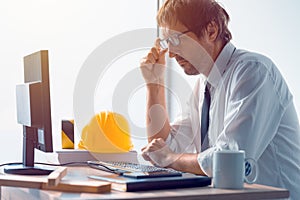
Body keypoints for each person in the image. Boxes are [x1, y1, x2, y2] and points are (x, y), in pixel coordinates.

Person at [139, 0, 300, 199]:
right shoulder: (203, 86)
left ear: (211, 30)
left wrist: (170, 158)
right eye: (167, 44)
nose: (171, 54)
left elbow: (228, 160)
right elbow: (162, 147)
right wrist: (154, 84)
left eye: (176, 40)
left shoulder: (253, 71)